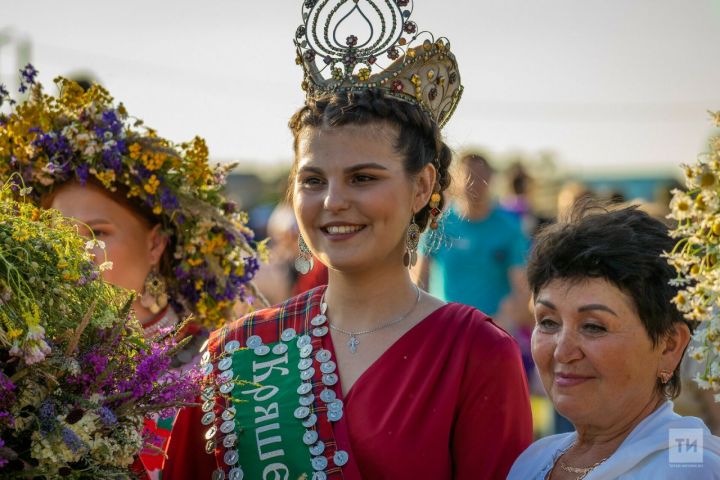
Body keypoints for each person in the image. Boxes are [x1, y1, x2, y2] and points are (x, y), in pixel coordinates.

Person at [171, 2, 533, 479]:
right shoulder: (241, 350)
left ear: (422, 187)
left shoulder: (474, 352)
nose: (333, 201)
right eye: (313, 180)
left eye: (362, 178)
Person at [0, 70, 263, 479]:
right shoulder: (18, 360)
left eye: (98, 232)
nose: (74, 252)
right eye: (55, 233)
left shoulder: (218, 358)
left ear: (155, 244)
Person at [509, 204, 720, 479]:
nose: (563, 351)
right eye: (548, 322)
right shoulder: (533, 460)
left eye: (593, 326)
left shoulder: (687, 468)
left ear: (670, 346)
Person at [416, 152, 532, 327]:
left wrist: (503, 322)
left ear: (491, 179)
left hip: (493, 328)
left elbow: (522, 288)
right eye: (469, 176)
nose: (475, 184)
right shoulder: (438, 225)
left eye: (481, 177)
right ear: (456, 180)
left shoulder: (509, 228)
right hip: (446, 326)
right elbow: (420, 280)